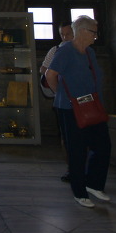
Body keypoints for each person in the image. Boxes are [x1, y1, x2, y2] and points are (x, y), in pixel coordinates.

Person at [46, 15, 111, 208]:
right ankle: (79, 191)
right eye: (93, 32)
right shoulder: (66, 51)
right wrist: (61, 94)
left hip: (92, 107)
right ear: (82, 31)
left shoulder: (89, 52)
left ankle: (94, 184)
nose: (95, 37)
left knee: (103, 146)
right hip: (70, 108)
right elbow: (50, 75)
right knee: (77, 150)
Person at [40, 22, 74, 181]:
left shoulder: (83, 50)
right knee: (66, 135)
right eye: (62, 34)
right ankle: (71, 167)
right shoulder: (56, 50)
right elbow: (44, 69)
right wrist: (58, 91)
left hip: (81, 100)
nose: (65, 37)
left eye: (68, 34)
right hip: (63, 100)